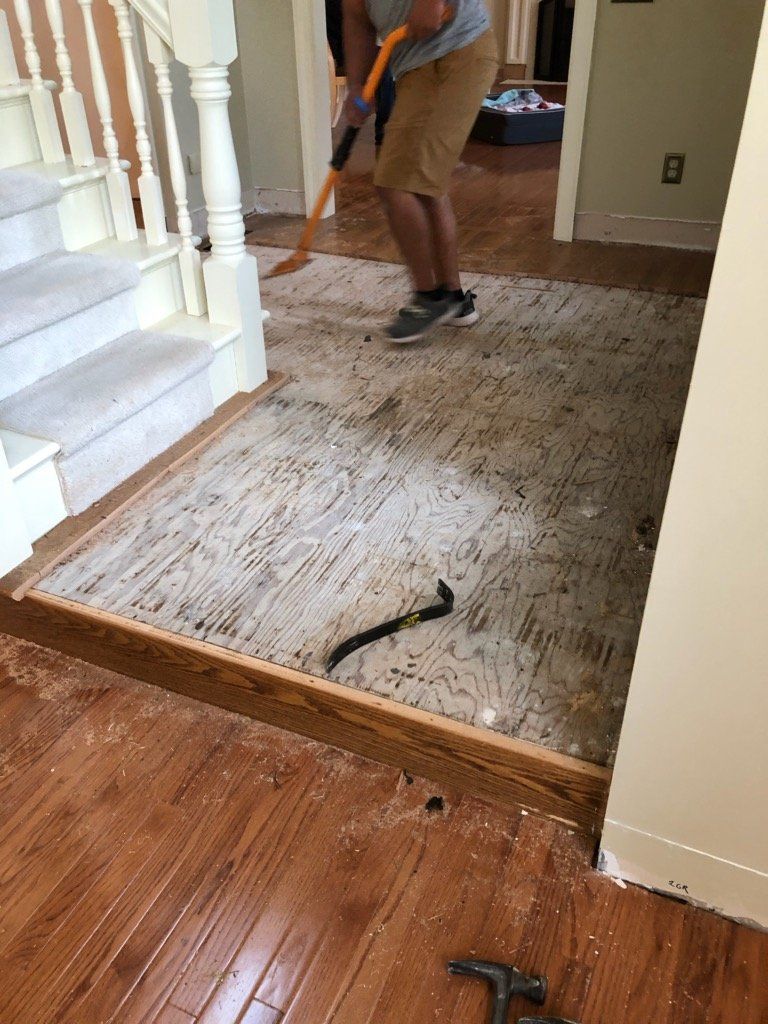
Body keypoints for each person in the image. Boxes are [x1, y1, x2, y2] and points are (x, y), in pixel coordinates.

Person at [343, 0, 498, 343]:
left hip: (459, 51)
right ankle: (454, 299)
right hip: (414, 68)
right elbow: (358, 21)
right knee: (423, 182)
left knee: (395, 181)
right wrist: (357, 85)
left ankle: (430, 297)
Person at [326, 0, 396, 146]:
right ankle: (384, 130)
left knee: (386, 56)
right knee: (385, 59)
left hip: (350, 50)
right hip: (348, 52)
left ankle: (387, 128)